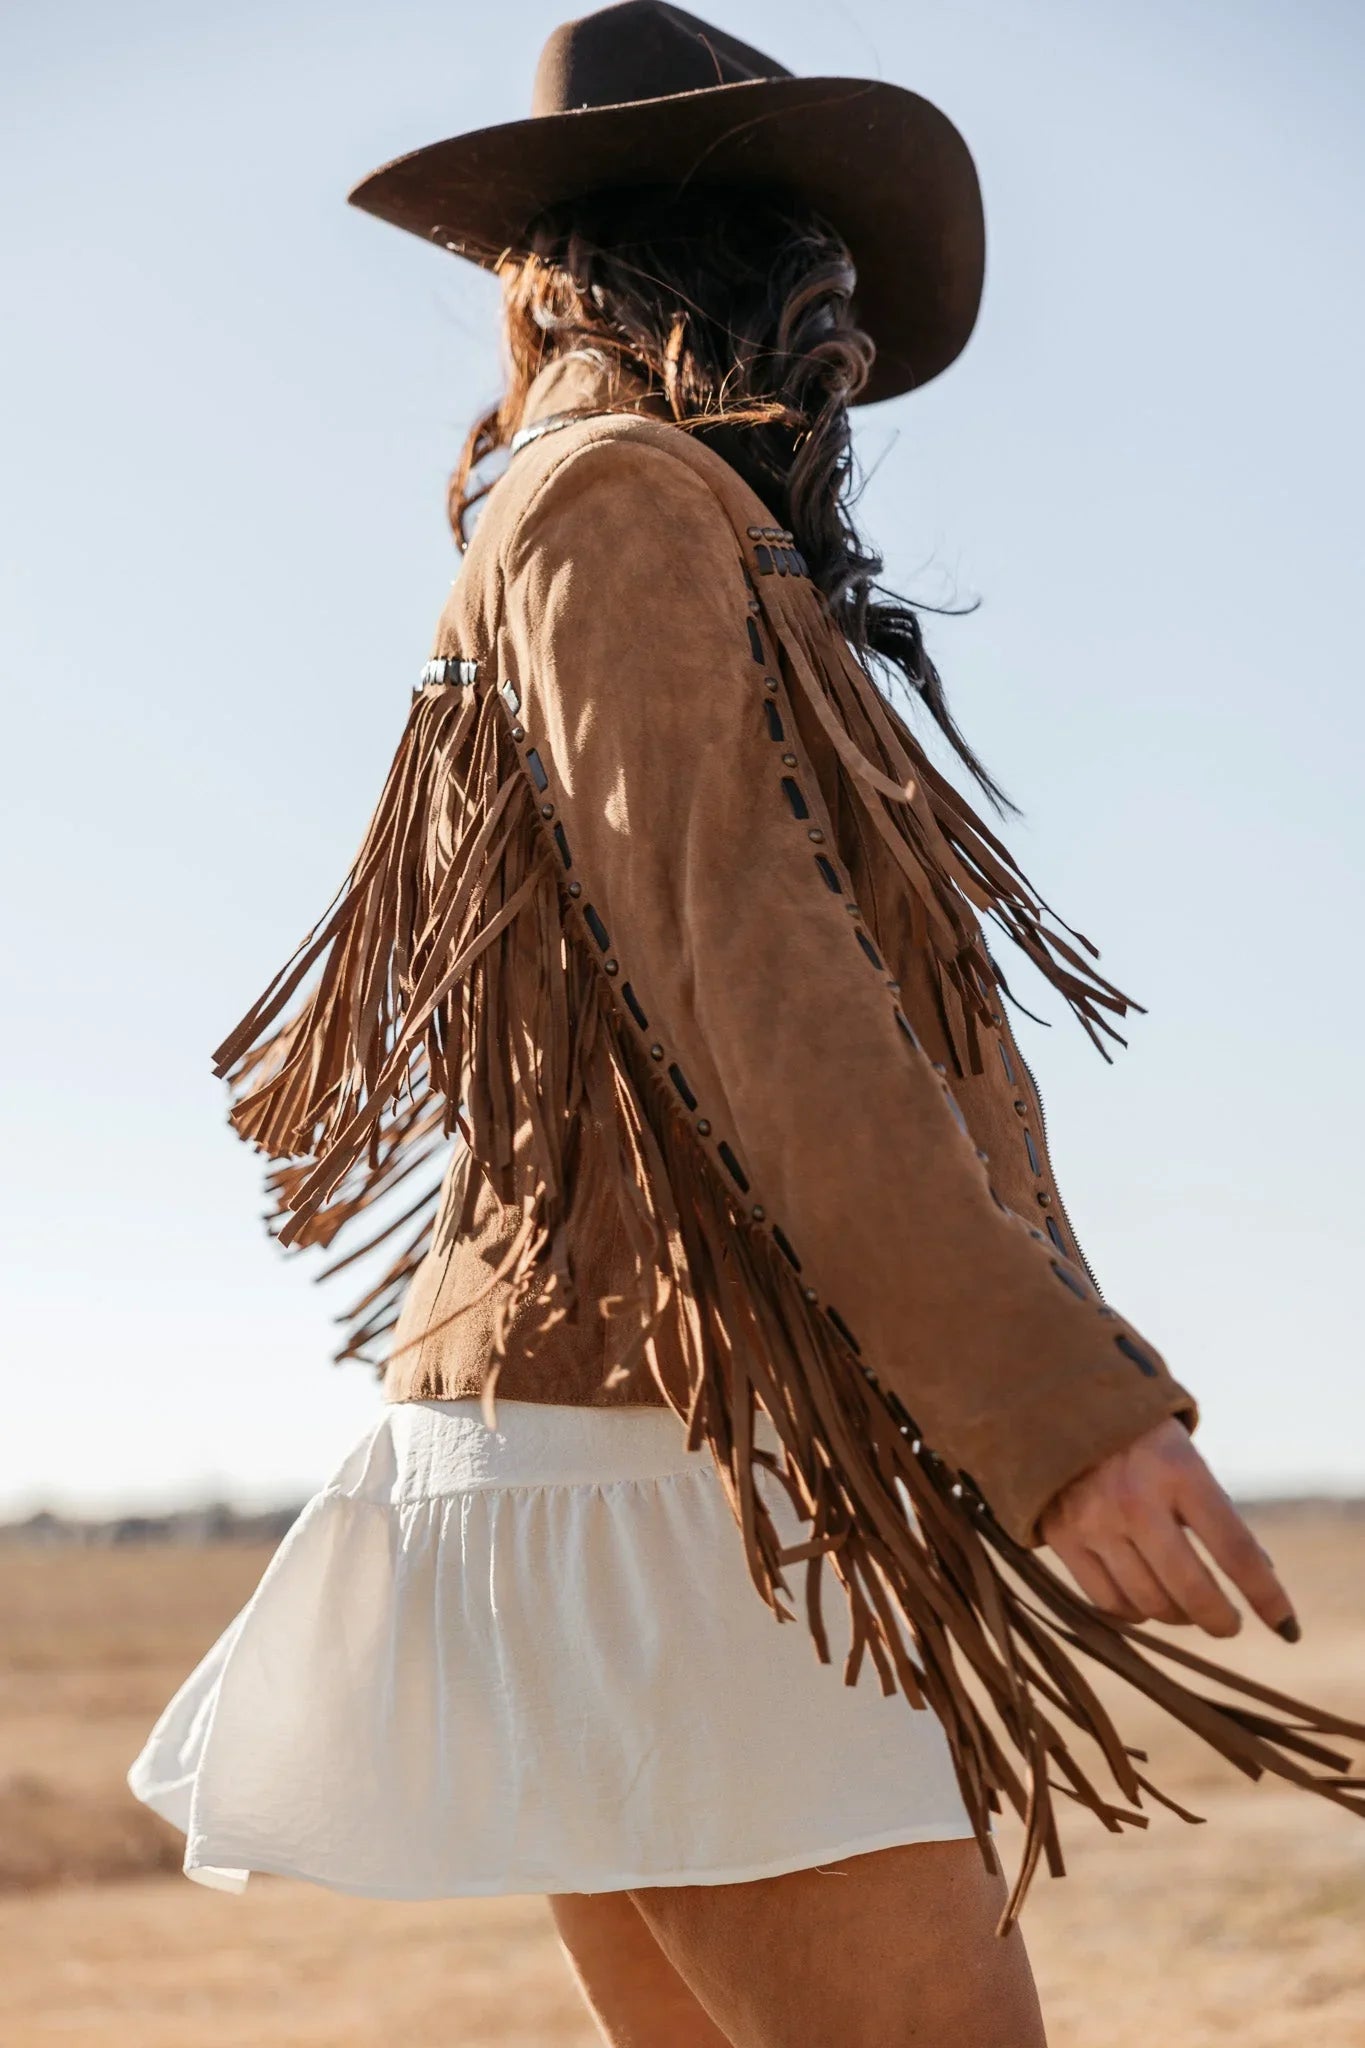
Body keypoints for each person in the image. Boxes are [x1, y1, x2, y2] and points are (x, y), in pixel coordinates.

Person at [127, 8, 1364, 2044]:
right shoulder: (613, 505)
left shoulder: (630, 515)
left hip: (637, 1455)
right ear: (697, 264)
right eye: (816, 269)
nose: (847, 339)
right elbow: (751, 977)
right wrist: (1050, 1411)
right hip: (663, 1472)